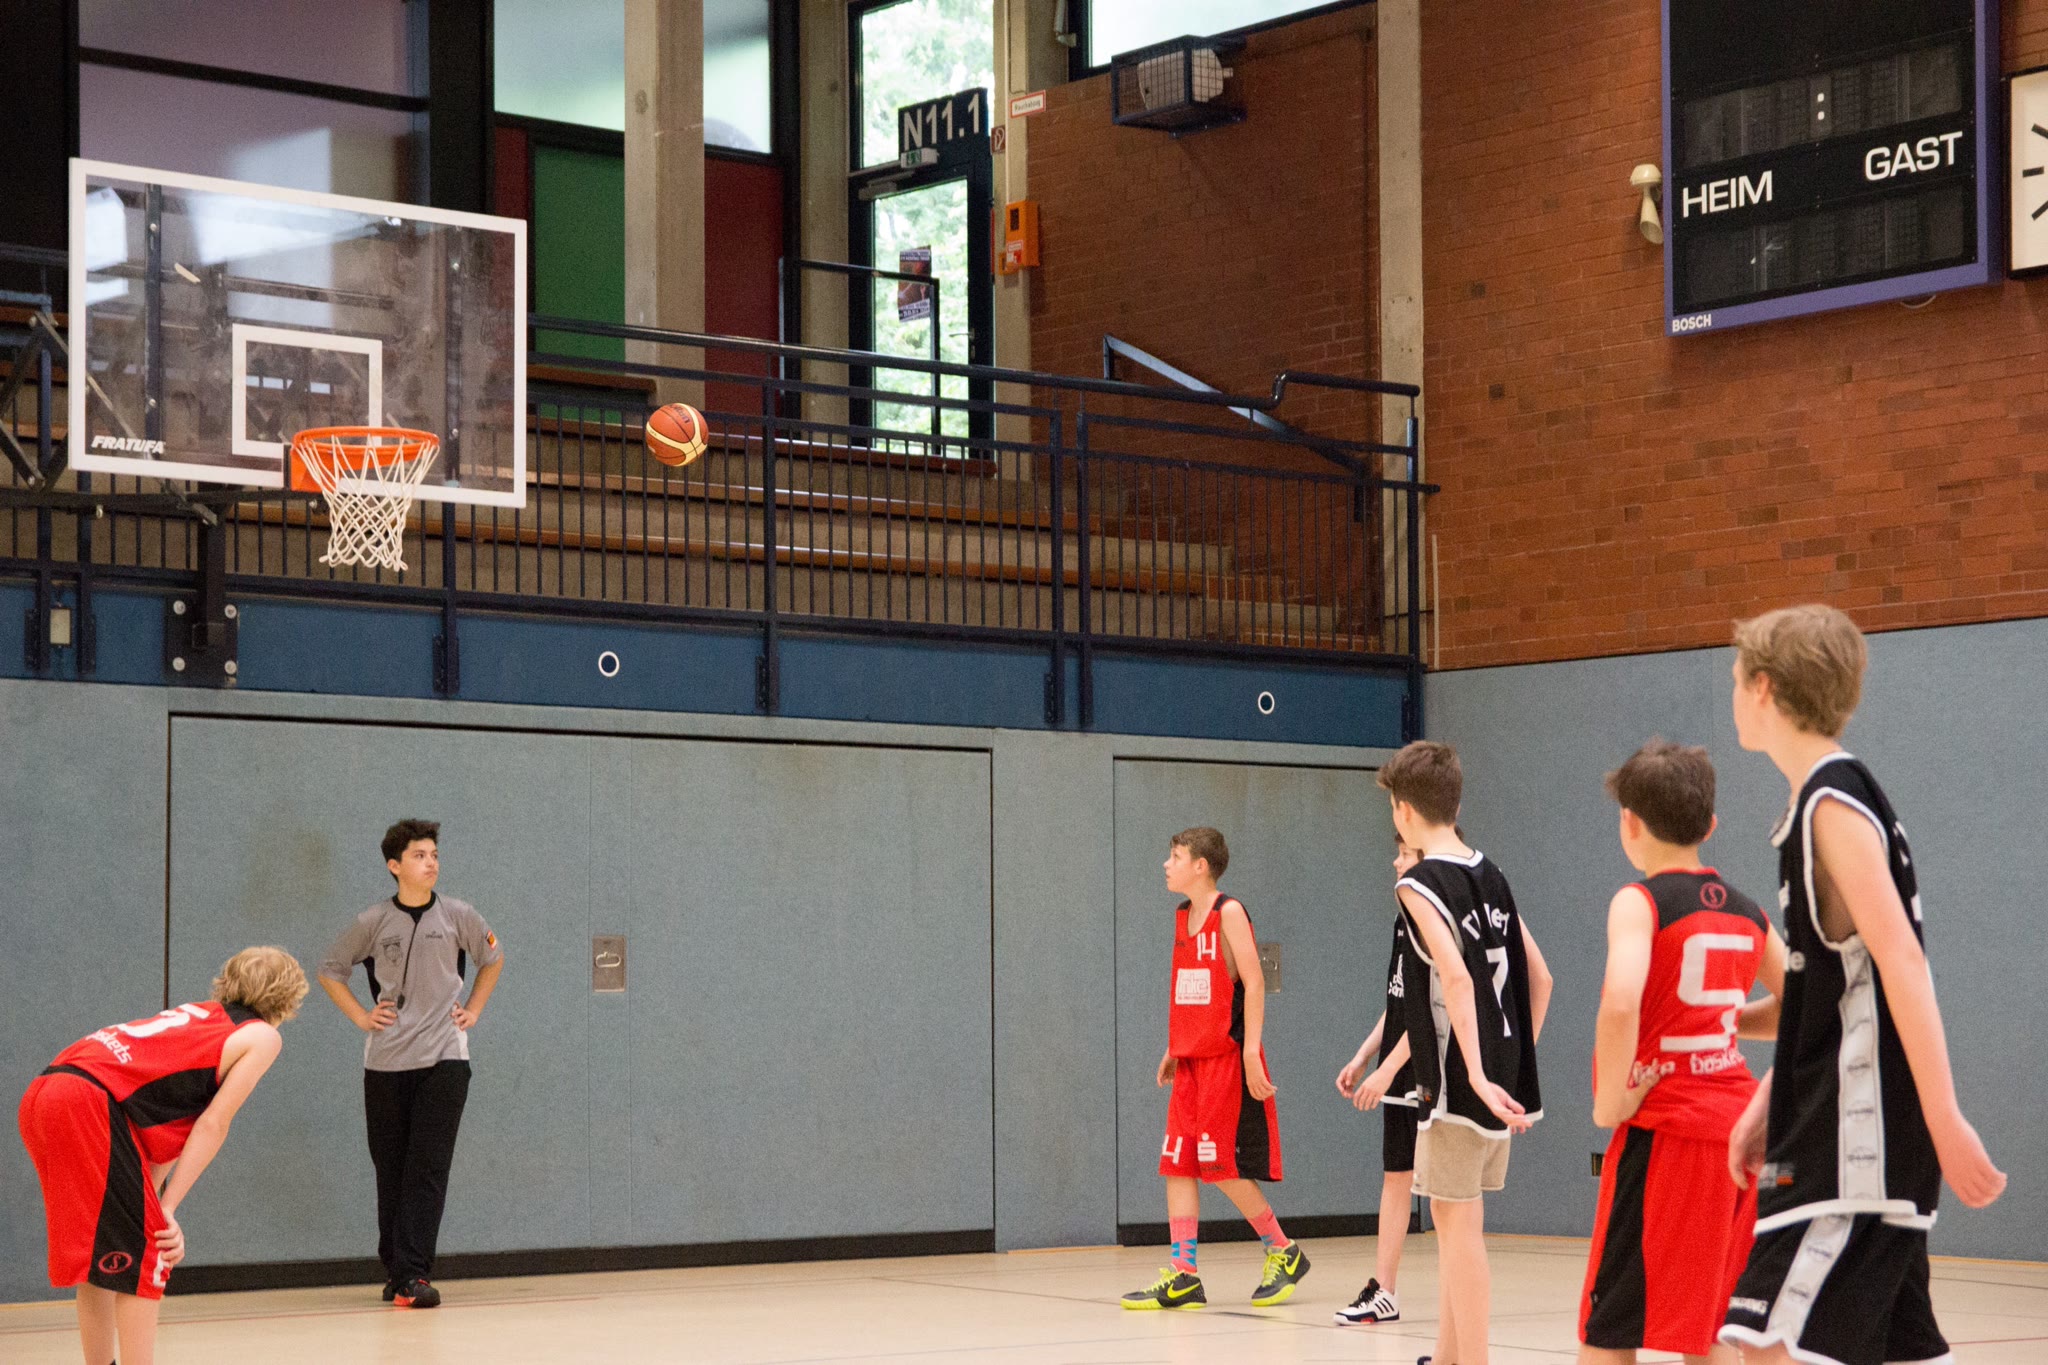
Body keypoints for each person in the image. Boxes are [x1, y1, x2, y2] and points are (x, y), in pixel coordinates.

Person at [1718, 605, 2005, 1365]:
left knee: (1768, 1344)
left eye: (1736, 680)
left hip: (1853, 1146)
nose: (1733, 694)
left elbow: (1902, 961)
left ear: (1764, 687)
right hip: (1848, 1137)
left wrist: (1944, 1118)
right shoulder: (1827, 798)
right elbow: (1841, 992)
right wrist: (1767, 1100)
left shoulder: (1832, 804)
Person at [1578, 739, 1786, 1365]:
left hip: (1667, 1134)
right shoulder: (1748, 913)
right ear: (1711, 825)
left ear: (1629, 823)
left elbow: (1621, 1001)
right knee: (1710, 1326)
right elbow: (1807, 1005)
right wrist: (1722, 1021)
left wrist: (1610, 1101)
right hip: (1740, 1134)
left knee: (1609, 1327)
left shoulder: (1639, 902)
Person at [17, 946, 308, 1365]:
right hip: (89, 1102)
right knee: (151, 1252)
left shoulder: (200, 1015)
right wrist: (165, 1211)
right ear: (289, 996)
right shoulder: (262, 1036)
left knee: (105, 1256)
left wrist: (154, 1205)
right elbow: (212, 1124)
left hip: (48, 1091)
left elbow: (166, 1130)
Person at [1380, 741, 1552, 1365]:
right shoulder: (1492, 873)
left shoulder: (1418, 883)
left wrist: (1477, 1074)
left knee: (1458, 1235)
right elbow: (1542, 978)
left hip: (1458, 1081)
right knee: (1459, 1223)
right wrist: (1510, 1063)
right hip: (1497, 1074)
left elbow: (1454, 977)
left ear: (1404, 811)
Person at [1122, 827, 1310, 1310]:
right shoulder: (1181, 916)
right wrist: (1176, 1045)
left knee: (1221, 1165)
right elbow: (1192, 988)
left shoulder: (1229, 912)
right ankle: (1184, 1274)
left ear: (1201, 866)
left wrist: (1251, 1052)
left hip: (1226, 1059)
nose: (1167, 864)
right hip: (1191, 1060)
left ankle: (1283, 1250)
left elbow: (1254, 982)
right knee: (1177, 1162)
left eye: (1176, 856)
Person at [318, 818, 504, 1309]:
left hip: (445, 1060)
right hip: (385, 1065)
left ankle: (414, 1274)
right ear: (394, 866)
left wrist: (474, 1010)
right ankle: (397, 1269)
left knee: (427, 1168)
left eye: (434, 855)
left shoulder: (460, 915)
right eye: (420, 855)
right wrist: (362, 1016)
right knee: (392, 1169)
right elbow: (330, 970)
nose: (431, 863)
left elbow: (493, 958)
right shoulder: (372, 921)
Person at [1334, 841, 1423, 1326]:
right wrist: (1365, 1055)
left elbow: (1433, 1011)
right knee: (1397, 1175)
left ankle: (1460, 1307)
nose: (1395, 860)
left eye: (1405, 853)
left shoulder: (1434, 919)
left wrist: (1388, 1069)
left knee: (1446, 1193)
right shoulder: (1403, 918)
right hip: (1400, 1068)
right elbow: (1400, 1003)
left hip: (1428, 1073)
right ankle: (1384, 1290)